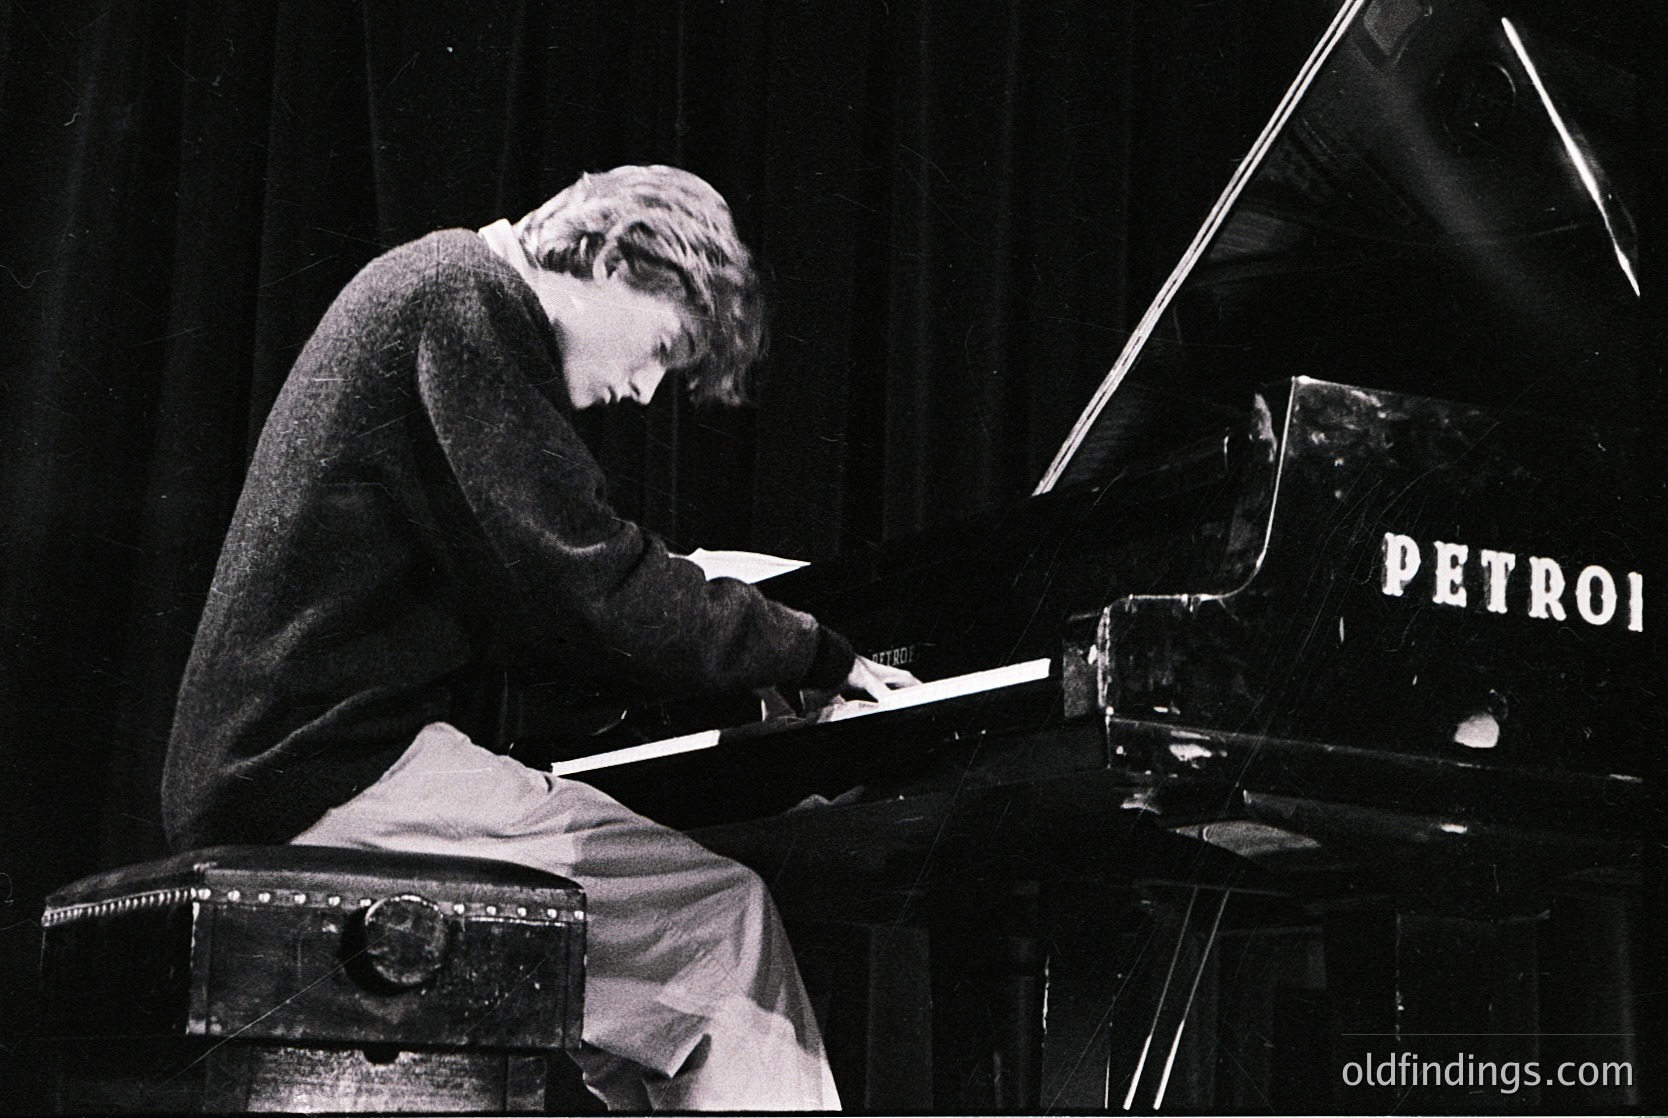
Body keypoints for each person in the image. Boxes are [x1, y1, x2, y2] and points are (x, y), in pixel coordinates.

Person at [162, 164, 917, 1111]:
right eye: (663, 347)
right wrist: (816, 653)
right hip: (324, 770)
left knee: (636, 999)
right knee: (724, 923)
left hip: (288, 764)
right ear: (613, 260)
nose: (646, 391)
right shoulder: (462, 299)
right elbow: (588, 584)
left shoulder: (435, 293)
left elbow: (553, 597)